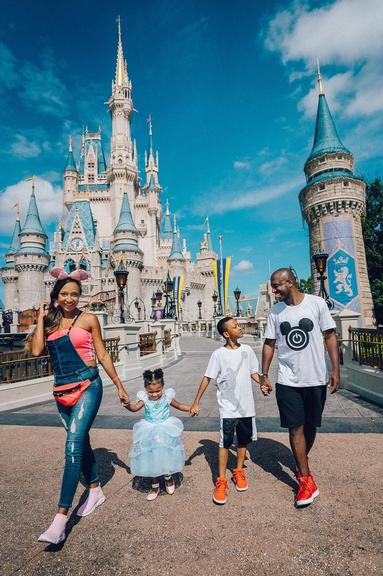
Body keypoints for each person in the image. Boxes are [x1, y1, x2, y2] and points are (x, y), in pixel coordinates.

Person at [28, 267, 129, 544]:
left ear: (80, 296)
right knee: (81, 442)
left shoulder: (89, 319)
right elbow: (37, 350)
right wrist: (40, 316)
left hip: (87, 385)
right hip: (61, 391)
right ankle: (95, 489)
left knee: (72, 445)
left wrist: (119, 385)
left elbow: (103, 353)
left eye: (74, 294)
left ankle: (60, 520)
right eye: (64, 294)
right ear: (55, 296)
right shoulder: (49, 322)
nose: (70, 299)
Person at [261, 268, 340, 507]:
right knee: (295, 428)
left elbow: (329, 336)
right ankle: (306, 480)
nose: (273, 290)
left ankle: (300, 461)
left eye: (277, 286)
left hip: (315, 378)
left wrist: (336, 369)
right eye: (272, 286)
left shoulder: (316, 304)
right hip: (288, 381)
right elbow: (269, 343)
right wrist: (264, 374)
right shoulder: (275, 311)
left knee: (310, 426)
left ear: (290, 282)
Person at [190, 317, 268, 505]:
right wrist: (196, 402)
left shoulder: (247, 351)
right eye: (235, 326)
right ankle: (221, 480)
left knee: (243, 441)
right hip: (228, 407)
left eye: (239, 325)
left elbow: (253, 373)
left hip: (246, 406)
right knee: (225, 442)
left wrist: (263, 383)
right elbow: (207, 378)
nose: (240, 328)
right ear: (226, 334)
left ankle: (239, 470)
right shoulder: (218, 354)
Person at [126, 368, 191, 501]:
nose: (155, 394)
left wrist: (191, 408)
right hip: (148, 430)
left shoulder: (167, 397)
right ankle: (154, 485)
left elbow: (179, 405)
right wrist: (127, 405)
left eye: (157, 391)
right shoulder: (144, 399)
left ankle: (168, 478)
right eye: (151, 392)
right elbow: (134, 408)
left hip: (165, 429)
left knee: (166, 454)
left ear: (163, 387)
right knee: (151, 457)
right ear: (145, 389)